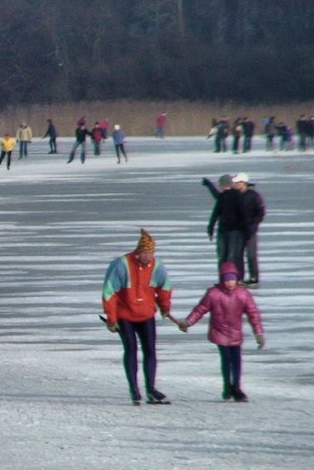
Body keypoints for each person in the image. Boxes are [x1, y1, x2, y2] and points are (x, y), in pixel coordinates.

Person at [101, 229, 174, 405]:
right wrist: (111, 318)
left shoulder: (157, 267)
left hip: (146, 315)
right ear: (138, 251)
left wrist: (164, 307)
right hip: (125, 316)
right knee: (131, 350)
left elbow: (165, 288)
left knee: (150, 350)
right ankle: (134, 389)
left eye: (151, 253)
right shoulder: (122, 265)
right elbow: (109, 292)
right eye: (145, 253)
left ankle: (150, 389)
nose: (148, 257)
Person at [175, 262, 264, 402]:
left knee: (237, 360)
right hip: (219, 332)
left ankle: (236, 387)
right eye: (226, 279)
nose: (229, 283)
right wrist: (188, 322)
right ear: (222, 279)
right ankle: (227, 385)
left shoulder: (243, 294)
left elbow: (253, 314)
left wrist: (258, 333)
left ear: (236, 279)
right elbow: (200, 309)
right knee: (226, 359)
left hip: (235, 333)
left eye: (232, 279)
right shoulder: (213, 294)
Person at [207, 173, 250, 281]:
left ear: (222, 184)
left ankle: (227, 279)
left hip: (229, 231)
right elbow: (244, 214)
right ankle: (231, 279)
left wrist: (210, 228)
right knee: (231, 256)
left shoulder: (226, 196)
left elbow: (215, 214)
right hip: (232, 231)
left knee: (224, 257)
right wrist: (246, 230)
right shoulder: (233, 196)